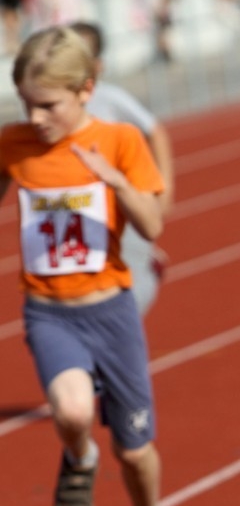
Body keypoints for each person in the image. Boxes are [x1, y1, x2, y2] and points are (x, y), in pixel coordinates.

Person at [0, 26, 180, 506]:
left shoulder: (121, 140)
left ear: (86, 89)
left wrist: (113, 181)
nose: (38, 117)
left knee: (135, 451)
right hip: (50, 311)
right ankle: (78, 457)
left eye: (48, 105)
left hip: (112, 312)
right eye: (27, 104)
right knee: (73, 410)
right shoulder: (14, 143)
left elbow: (152, 225)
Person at [70, 20, 174, 315]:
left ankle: (147, 269)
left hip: (120, 205)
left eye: (81, 53)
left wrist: (163, 187)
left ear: (98, 65)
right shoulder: (60, 105)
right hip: (82, 208)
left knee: (123, 299)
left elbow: (155, 130)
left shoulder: (110, 99)